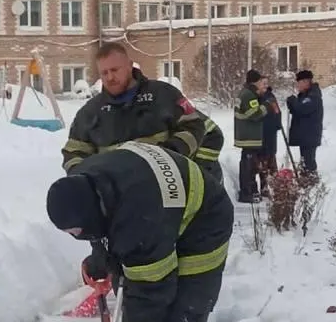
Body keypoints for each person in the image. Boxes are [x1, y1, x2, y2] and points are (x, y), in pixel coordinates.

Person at [46, 140, 234, 322]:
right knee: (133, 283)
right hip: (156, 209)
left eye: (79, 232)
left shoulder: (137, 219)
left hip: (204, 223)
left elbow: (148, 296)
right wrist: (102, 253)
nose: (79, 238)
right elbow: (102, 222)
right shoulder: (86, 179)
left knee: (184, 310)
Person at [61, 42, 224, 184]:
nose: (110, 77)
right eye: (104, 73)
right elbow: (73, 153)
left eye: (115, 70)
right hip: (119, 198)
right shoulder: (90, 113)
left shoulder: (163, 95)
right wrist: (88, 181)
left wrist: (168, 157)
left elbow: (193, 126)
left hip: (169, 187)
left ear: (130, 66)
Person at [234, 69, 268, 202]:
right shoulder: (248, 95)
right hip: (248, 136)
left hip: (246, 135)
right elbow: (254, 115)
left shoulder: (246, 93)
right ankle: (246, 193)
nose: (262, 84)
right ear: (256, 81)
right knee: (248, 167)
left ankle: (250, 191)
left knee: (250, 165)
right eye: (260, 81)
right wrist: (265, 106)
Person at [286, 69, 324, 174]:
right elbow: (298, 110)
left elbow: (303, 108)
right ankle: (306, 181)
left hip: (310, 135)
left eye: (299, 83)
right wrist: (292, 105)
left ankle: (311, 182)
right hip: (305, 135)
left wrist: (294, 102)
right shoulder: (304, 95)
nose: (297, 86)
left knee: (308, 162)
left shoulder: (313, 95)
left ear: (306, 82)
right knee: (304, 161)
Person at [258, 81, 283, 195]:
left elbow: (277, 113)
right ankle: (265, 186)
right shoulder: (258, 97)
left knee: (269, 161)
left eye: (264, 84)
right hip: (262, 134)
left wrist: (276, 126)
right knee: (263, 161)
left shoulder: (270, 98)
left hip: (268, 134)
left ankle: (275, 187)